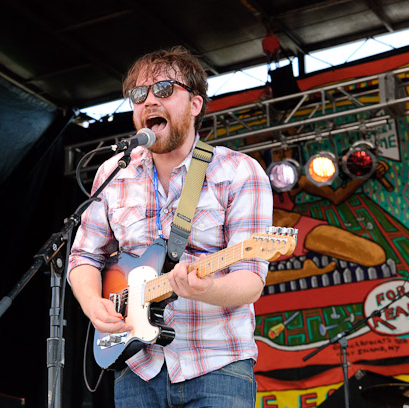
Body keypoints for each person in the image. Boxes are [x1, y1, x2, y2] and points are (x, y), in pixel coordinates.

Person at [68, 46, 273, 408]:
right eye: (138, 94)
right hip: (137, 368)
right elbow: (83, 254)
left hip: (217, 364)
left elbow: (250, 282)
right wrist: (90, 303)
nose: (149, 101)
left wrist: (204, 288)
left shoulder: (238, 171)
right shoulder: (113, 172)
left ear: (195, 105)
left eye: (163, 89)